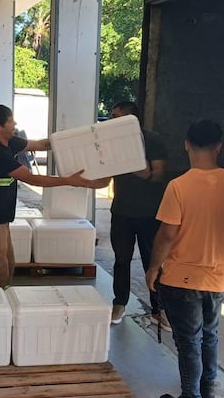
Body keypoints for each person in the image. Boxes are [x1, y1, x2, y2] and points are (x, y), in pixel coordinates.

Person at [145, 120, 224, 398]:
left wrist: (153, 268)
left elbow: (167, 234)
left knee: (189, 341)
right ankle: (207, 391)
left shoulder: (179, 186)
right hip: (217, 275)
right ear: (219, 146)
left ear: (187, 144)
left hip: (181, 276)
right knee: (210, 336)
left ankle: (191, 395)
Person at [0, 104, 98, 288]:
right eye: (11, 120)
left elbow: (41, 144)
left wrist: (72, 140)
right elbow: (33, 179)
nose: (15, 123)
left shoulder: (8, 141)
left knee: (8, 266)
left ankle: (3, 305)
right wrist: (69, 180)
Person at [93, 101, 170, 327]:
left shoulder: (152, 141)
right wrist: (76, 181)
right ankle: (120, 304)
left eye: (117, 116)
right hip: (121, 212)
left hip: (150, 214)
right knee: (121, 260)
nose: (112, 120)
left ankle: (159, 308)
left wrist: (138, 169)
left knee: (152, 261)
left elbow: (159, 176)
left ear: (130, 120)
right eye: (112, 115)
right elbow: (104, 178)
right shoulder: (111, 144)